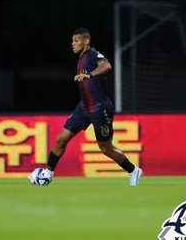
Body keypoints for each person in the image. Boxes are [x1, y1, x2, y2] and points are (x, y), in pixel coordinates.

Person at [33, 28, 142, 186]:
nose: (73, 44)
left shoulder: (92, 55)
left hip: (100, 108)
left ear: (86, 41)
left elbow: (107, 65)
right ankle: (48, 173)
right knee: (61, 139)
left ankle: (133, 170)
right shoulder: (81, 59)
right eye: (72, 41)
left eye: (76, 41)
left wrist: (90, 75)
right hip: (84, 107)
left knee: (106, 148)